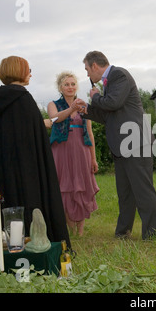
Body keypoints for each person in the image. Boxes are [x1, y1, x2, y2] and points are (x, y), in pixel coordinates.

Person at [0, 56, 70, 262]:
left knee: (7, 203)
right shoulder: (23, 98)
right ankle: (31, 243)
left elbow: (21, 130)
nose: (31, 73)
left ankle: (6, 245)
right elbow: (32, 136)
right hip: (27, 169)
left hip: (6, 167)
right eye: (28, 69)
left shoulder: (2, 99)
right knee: (27, 203)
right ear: (19, 71)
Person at [73, 51, 156, 240]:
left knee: (143, 190)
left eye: (87, 69)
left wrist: (95, 96)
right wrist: (85, 110)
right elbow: (108, 115)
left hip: (136, 142)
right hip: (122, 146)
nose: (88, 74)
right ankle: (122, 232)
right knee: (125, 193)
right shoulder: (110, 83)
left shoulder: (119, 75)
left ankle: (151, 234)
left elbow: (112, 103)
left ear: (95, 66)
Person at [47, 71, 100, 236]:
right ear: (60, 88)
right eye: (66, 84)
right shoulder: (53, 104)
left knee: (81, 187)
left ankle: (81, 231)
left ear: (76, 86)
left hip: (81, 151)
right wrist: (71, 109)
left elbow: (90, 133)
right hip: (61, 151)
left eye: (73, 84)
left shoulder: (84, 106)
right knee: (64, 187)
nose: (70, 87)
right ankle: (69, 226)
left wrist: (93, 158)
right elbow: (54, 119)